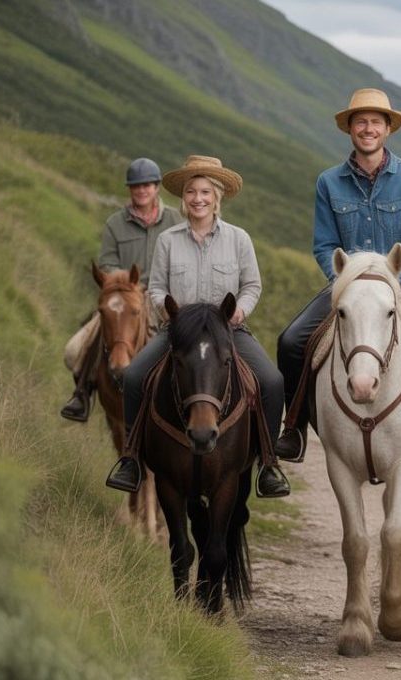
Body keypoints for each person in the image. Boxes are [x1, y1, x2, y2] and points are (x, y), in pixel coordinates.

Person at [273, 89, 401, 465]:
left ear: (388, 129)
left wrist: (391, 280)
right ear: (350, 129)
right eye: (361, 122)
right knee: (289, 342)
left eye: (375, 122)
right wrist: (348, 283)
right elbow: (324, 245)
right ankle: (294, 428)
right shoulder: (328, 182)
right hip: (348, 290)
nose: (368, 128)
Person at [104, 156, 290, 499]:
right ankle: (130, 459)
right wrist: (168, 312)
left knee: (271, 380)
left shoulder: (238, 239)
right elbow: (157, 287)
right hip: (179, 333)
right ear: (183, 197)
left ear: (217, 196)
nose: (198, 198)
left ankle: (268, 462)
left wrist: (241, 312)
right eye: (191, 191)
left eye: (205, 191)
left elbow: (252, 285)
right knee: (133, 377)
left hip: (227, 332)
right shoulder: (168, 241)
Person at [60, 158, 183, 422]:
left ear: (157, 187)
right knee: (76, 347)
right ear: (130, 189)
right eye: (136, 186)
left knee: (187, 339)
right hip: (122, 295)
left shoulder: (174, 219)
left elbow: (181, 256)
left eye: (147, 185)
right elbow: (106, 261)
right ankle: (82, 393)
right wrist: (125, 282)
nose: (141, 190)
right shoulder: (115, 223)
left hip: (162, 294)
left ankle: (188, 397)